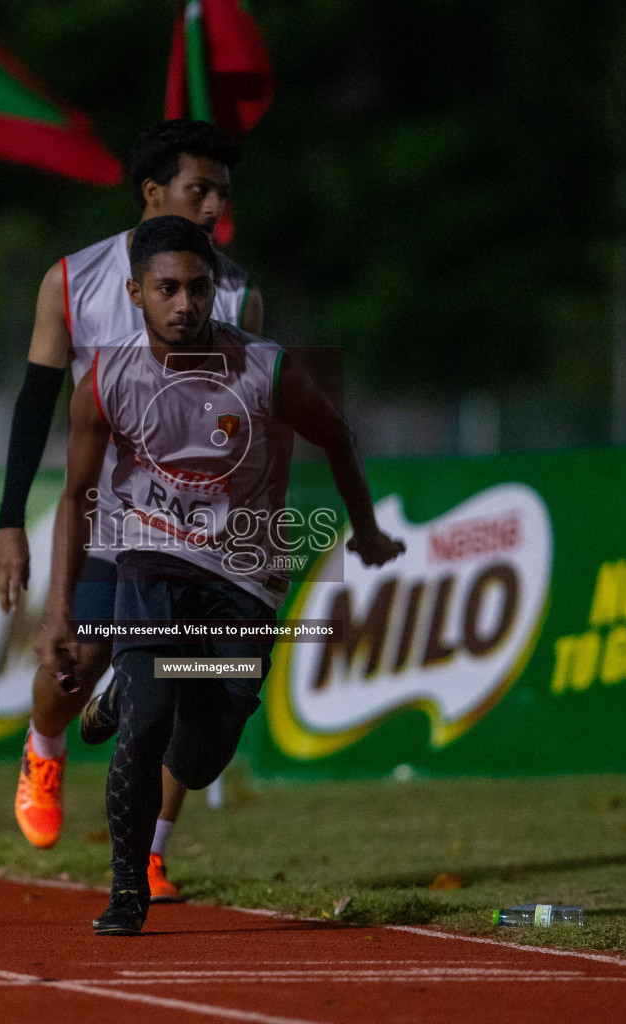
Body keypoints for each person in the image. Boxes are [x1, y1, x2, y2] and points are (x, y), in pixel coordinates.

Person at [37, 216, 405, 936]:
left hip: (244, 577)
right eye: (167, 289)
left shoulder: (265, 371)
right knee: (148, 719)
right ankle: (126, 892)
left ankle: (130, 697)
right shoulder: (104, 383)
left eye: (198, 288)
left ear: (216, 292)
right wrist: (60, 615)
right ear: (135, 293)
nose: (184, 304)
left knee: (202, 755)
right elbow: (78, 498)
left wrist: (363, 528)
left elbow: (337, 437)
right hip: (149, 557)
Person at [0, 120, 263, 903]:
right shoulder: (72, 280)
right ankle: (44, 746)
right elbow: (35, 403)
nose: (215, 205)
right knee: (77, 663)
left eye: (222, 191)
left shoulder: (238, 290)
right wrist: (12, 518)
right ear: (153, 192)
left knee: (188, 686)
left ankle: (150, 851)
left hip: (195, 527)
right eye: (199, 188)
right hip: (104, 514)